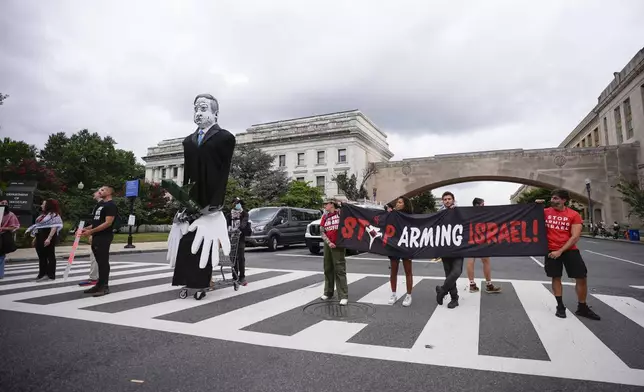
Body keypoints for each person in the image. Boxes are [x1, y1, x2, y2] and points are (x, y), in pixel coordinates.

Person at [170, 93, 236, 293]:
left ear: (215, 114)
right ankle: (187, 280)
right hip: (192, 201)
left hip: (210, 203)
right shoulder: (188, 142)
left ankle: (202, 281)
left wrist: (215, 204)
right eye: (196, 109)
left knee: (204, 241)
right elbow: (187, 175)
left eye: (203, 108)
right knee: (188, 241)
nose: (198, 113)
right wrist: (183, 202)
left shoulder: (225, 138)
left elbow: (223, 172)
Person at [536, 190, 600, 320]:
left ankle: (582, 307)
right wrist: (535, 206)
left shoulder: (574, 214)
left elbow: (575, 236)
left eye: (556, 198)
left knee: (581, 277)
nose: (552, 200)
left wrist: (560, 251)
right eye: (552, 198)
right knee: (556, 277)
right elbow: (529, 219)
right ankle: (560, 306)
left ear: (564, 200)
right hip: (550, 250)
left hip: (569, 250)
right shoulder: (545, 212)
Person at [81, 186, 118, 297]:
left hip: (104, 237)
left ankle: (104, 287)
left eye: (103, 190)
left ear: (109, 192)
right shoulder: (101, 206)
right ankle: (98, 284)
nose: (99, 191)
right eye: (99, 190)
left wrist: (91, 231)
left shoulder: (111, 205)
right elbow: (98, 222)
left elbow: (108, 223)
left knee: (103, 262)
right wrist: (87, 229)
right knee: (98, 261)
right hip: (97, 236)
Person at [466, 197, 502, 294]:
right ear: (478, 205)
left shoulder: (468, 213)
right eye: (482, 204)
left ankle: (472, 285)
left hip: (472, 239)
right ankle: (488, 284)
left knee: (472, 261)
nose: (484, 206)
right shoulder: (484, 213)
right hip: (480, 238)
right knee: (485, 261)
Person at [435, 191, 462, 309]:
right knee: (449, 274)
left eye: (449, 199)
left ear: (453, 200)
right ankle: (454, 298)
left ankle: (442, 290)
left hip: (458, 248)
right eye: (445, 199)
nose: (447, 201)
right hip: (445, 248)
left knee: (456, 272)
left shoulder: (459, 212)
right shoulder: (439, 214)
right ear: (443, 201)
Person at [320, 198, 349, 306]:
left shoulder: (340, 214)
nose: (324, 206)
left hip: (339, 244)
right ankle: (328, 292)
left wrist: (341, 203)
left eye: (326, 204)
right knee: (328, 268)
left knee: (340, 269)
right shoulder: (325, 216)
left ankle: (343, 295)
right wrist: (328, 242)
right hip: (328, 245)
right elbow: (322, 231)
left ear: (332, 204)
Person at [26, 199, 64, 282]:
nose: (42, 206)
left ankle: (50, 275)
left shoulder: (54, 215)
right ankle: (42, 274)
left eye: (43, 204)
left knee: (50, 256)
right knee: (41, 256)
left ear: (48, 205)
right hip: (40, 235)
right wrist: (35, 238)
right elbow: (38, 226)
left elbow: (54, 227)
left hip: (48, 236)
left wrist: (49, 238)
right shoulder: (42, 215)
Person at [387, 196, 414, 307]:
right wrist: (388, 213)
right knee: (393, 271)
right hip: (394, 245)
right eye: (397, 202)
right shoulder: (392, 214)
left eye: (399, 202)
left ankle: (408, 294)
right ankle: (394, 293)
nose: (397, 204)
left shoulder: (410, 217)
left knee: (408, 271)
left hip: (406, 245)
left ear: (405, 204)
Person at [78, 190, 103, 287]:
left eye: (97, 192)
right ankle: (95, 277)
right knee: (94, 257)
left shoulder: (102, 206)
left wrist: (91, 233)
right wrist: (85, 229)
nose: (94, 193)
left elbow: (104, 223)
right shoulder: (98, 206)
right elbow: (96, 223)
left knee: (95, 258)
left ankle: (94, 278)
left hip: (99, 236)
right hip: (97, 235)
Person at [228, 197, 250, 285]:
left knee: (241, 257)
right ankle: (234, 276)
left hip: (240, 238)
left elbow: (244, 223)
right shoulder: (229, 215)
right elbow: (227, 224)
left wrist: (239, 229)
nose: (236, 204)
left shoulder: (244, 214)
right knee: (233, 258)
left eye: (238, 203)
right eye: (235, 203)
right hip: (231, 238)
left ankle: (242, 277)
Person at [0, 200, 21, 279]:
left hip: (3, 236)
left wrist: (3, 228)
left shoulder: (11, 215)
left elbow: (14, 226)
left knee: (1, 255)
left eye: (6, 203)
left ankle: (0, 274)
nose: (4, 205)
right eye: (2, 203)